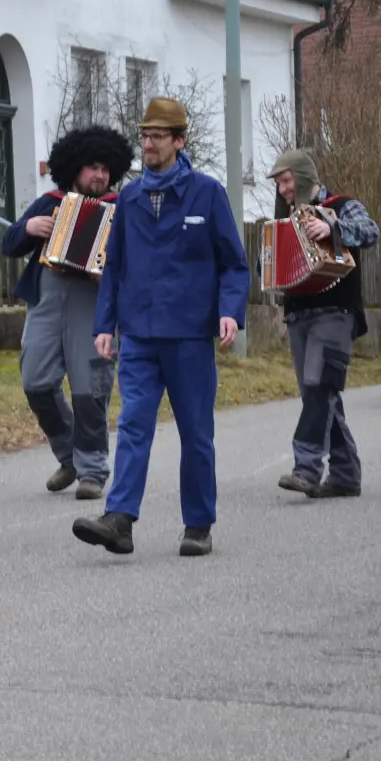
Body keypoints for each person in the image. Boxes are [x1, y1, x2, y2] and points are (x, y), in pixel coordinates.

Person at [70, 98, 248, 558]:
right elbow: (115, 265)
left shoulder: (206, 194)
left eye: (158, 136)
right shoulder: (129, 198)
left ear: (179, 141)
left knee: (195, 431)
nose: (148, 144)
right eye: (145, 136)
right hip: (140, 335)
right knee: (132, 425)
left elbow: (233, 264)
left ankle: (198, 523)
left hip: (189, 335)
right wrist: (105, 322)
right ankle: (120, 520)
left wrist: (230, 311)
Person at [0, 126, 134, 500]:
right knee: (35, 381)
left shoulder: (120, 207)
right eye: (93, 167)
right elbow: (9, 243)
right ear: (74, 169)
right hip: (46, 298)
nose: (101, 175)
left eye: (106, 169)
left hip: (93, 303)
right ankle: (69, 455)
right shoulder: (50, 202)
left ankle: (92, 470)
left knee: (89, 389)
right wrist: (28, 227)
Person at [266, 148, 380, 500]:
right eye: (280, 184)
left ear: (302, 177)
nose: (283, 190)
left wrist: (331, 227)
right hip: (299, 314)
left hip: (335, 311)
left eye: (286, 181)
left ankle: (307, 468)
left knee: (320, 387)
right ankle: (345, 475)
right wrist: (267, 269)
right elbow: (269, 265)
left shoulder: (342, 205)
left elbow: (370, 231)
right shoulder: (283, 221)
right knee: (320, 394)